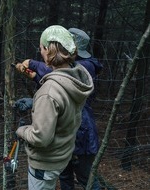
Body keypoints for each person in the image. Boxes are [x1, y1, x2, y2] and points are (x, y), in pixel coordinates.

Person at [14, 28, 103, 189]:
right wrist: (37, 96)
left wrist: (21, 131)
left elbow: (41, 135)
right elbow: (61, 92)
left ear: (49, 50)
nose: (40, 51)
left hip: (78, 140)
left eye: (42, 48)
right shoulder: (76, 74)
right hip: (66, 145)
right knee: (67, 179)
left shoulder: (85, 66)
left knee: (86, 179)